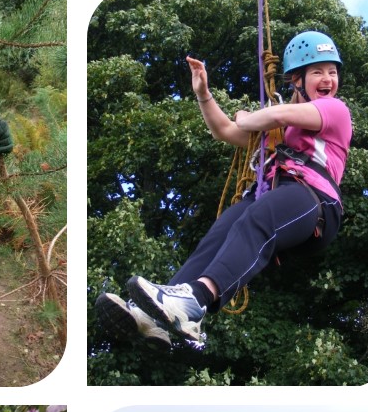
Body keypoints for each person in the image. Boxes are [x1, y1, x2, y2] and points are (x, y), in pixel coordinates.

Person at [96, 31, 352, 349]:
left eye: (332, 71)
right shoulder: (281, 130)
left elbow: (272, 114)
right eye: (317, 71)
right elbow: (224, 131)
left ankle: (197, 300)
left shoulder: (335, 110)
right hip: (275, 195)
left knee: (259, 214)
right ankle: (154, 316)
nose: (328, 78)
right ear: (296, 79)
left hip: (314, 202)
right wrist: (204, 93)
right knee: (218, 236)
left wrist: (248, 118)